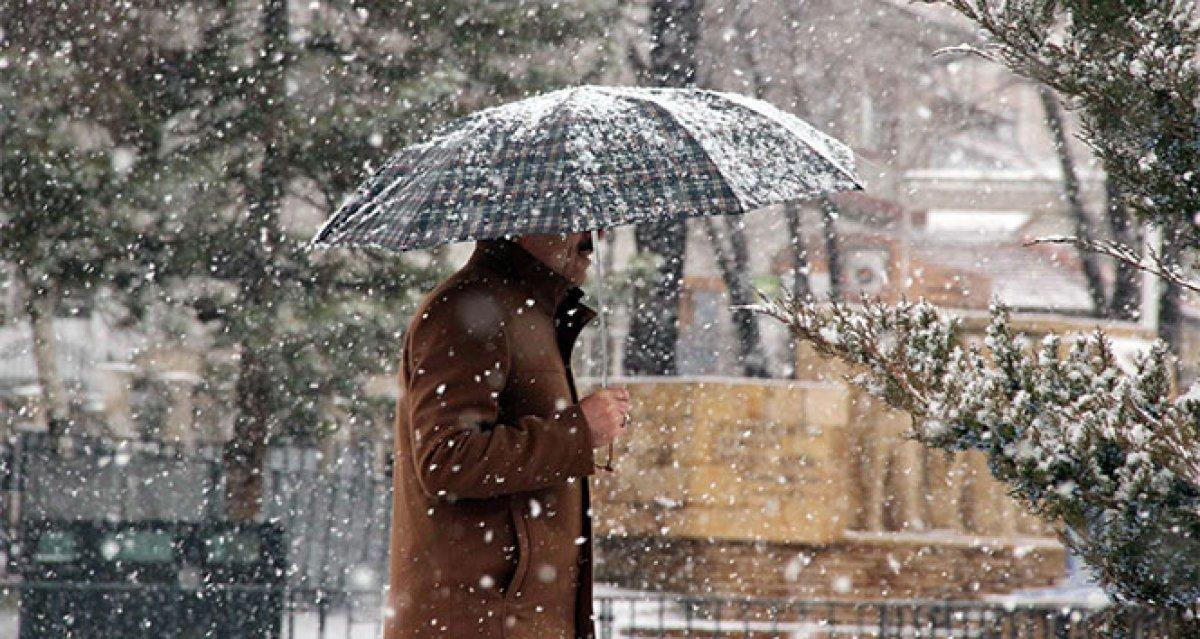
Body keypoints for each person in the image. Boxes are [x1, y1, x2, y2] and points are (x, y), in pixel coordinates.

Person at [384, 232, 629, 639]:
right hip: (482, 622)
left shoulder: (523, 311)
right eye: (575, 219)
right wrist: (578, 432)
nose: (595, 236)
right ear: (526, 219)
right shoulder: (467, 310)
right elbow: (446, 460)